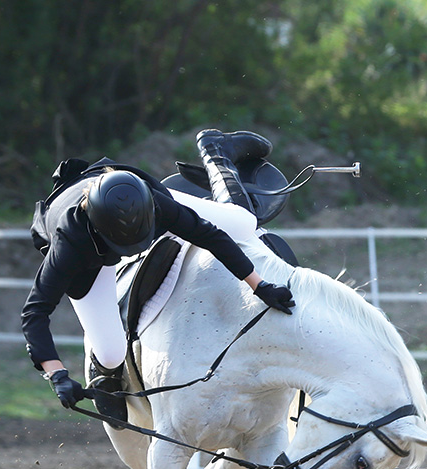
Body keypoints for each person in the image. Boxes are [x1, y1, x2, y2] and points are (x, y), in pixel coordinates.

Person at [20, 129, 295, 427]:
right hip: (90, 254)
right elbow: (34, 312)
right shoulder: (69, 243)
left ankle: (216, 151)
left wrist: (260, 286)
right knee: (112, 354)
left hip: (129, 194)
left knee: (244, 223)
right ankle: (105, 376)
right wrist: (57, 373)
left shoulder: (155, 203)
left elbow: (209, 236)